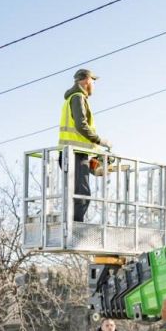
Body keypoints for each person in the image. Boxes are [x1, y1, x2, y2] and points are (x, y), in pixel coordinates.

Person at [59, 68, 111, 223]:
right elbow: (81, 126)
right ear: (87, 80)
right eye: (93, 82)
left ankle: (73, 225)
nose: (94, 85)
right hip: (74, 154)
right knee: (82, 195)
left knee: (79, 193)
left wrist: (96, 152)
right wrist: (100, 140)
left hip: (75, 154)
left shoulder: (73, 97)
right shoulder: (78, 97)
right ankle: (75, 228)